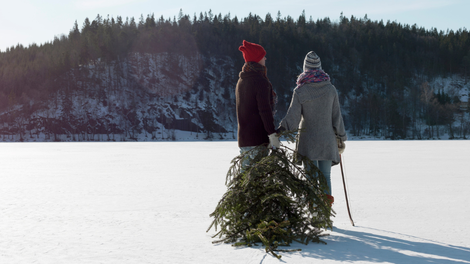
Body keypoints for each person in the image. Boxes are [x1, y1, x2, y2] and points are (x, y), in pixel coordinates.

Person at [278, 51, 347, 205]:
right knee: (325, 176)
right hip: (327, 140)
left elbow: (292, 117)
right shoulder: (331, 89)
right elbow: (337, 117)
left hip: (308, 141)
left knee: (311, 178)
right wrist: (341, 137)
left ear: (305, 68)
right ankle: (325, 213)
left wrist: (280, 130)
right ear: (320, 68)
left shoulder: (300, 90)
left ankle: (314, 210)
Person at [236, 40, 280, 168]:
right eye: (262, 56)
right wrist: (272, 135)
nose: (265, 58)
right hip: (258, 141)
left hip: (244, 140)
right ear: (257, 59)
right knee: (259, 183)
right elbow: (264, 110)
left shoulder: (241, 81)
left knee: (246, 183)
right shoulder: (260, 81)